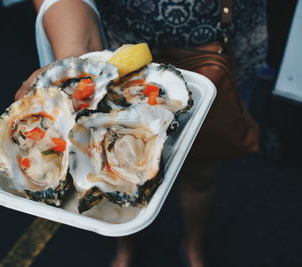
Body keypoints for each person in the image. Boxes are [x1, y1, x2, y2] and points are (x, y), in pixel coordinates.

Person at [16, 1, 267, 266]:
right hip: (122, 56)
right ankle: (126, 246)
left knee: (202, 171)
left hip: (216, 53)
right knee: (109, 183)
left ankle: (193, 246)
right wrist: (78, 58)